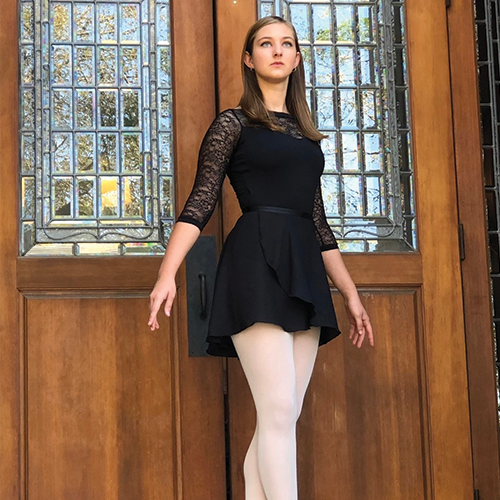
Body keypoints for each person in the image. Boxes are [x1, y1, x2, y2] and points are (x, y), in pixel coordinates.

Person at [148, 15, 374, 500]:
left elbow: (319, 224)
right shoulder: (232, 124)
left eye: (286, 43)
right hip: (254, 263)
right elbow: (199, 204)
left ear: (296, 58)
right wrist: (168, 274)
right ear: (249, 60)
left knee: (284, 413)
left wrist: (351, 294)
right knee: (275, 410)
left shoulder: (307, 137)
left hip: (305, 268)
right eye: (265, 44)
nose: (277, 51)